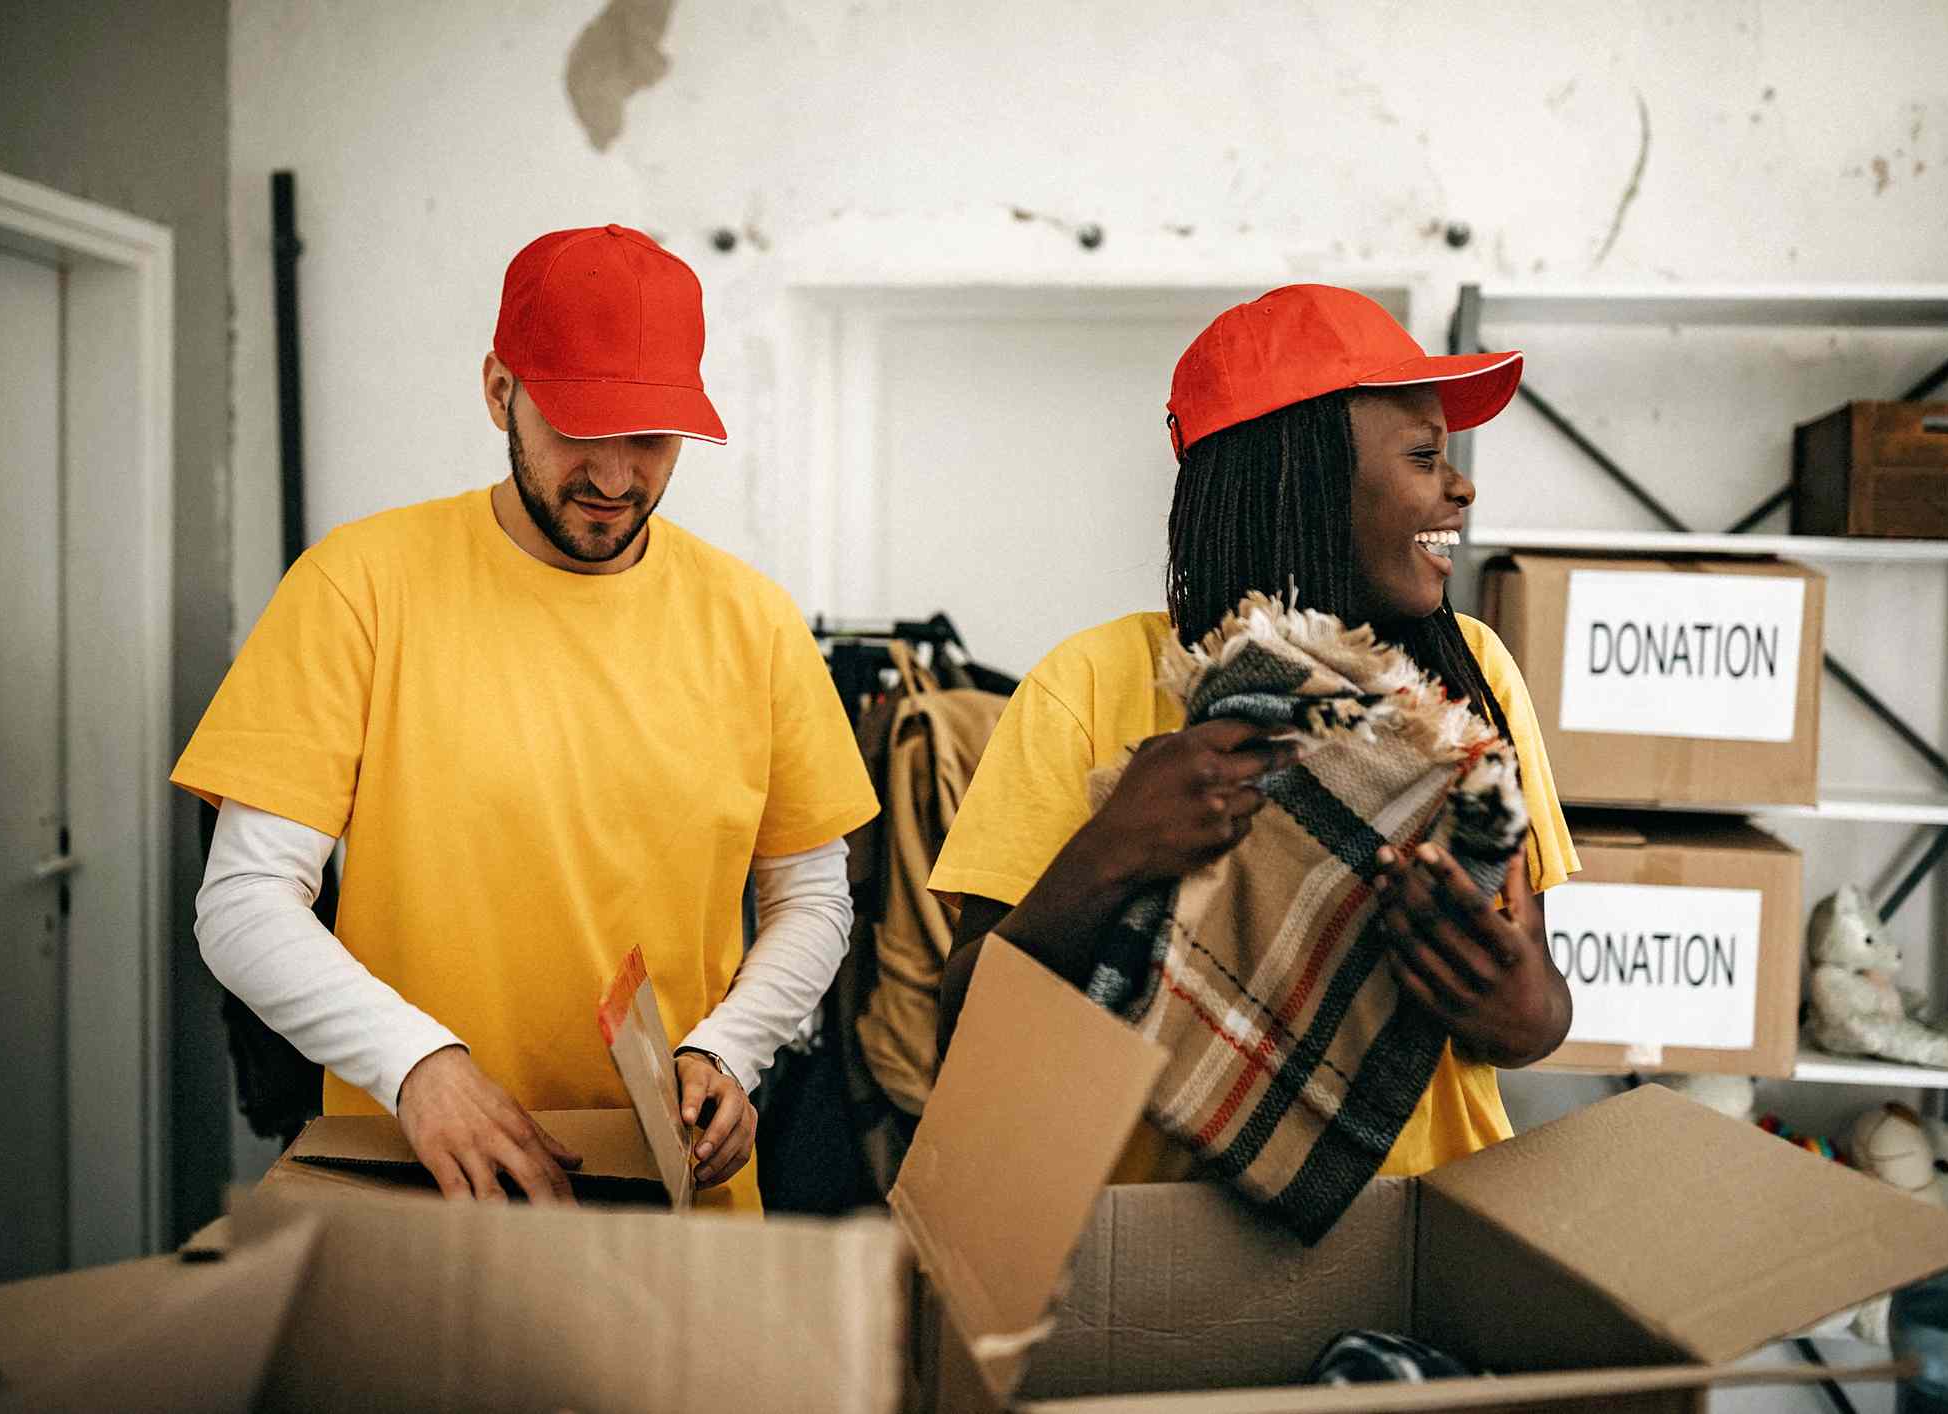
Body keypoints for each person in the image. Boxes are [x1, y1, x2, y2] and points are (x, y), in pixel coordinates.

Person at [173, 224, 877, 1211]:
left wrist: (732, 1044)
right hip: (417, 1181)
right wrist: (419, 1065)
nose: (616, 478)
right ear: (500, 388)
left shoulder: (752, 621)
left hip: (676, 1197)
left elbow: (812, 895)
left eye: (650, 436)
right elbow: (244, 899)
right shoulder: (360, 585)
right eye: (578, 427)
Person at [928, 284, 1579, 1183]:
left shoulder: (1469, 672)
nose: (1460, 486)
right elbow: (963, 1031)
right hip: (1156, 1239)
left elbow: (1537, 1018)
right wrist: (1112, 850)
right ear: (1299, 483)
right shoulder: (1088, 683)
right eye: (1425, 455)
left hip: (1423, 1226)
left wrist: (1512, 1003)